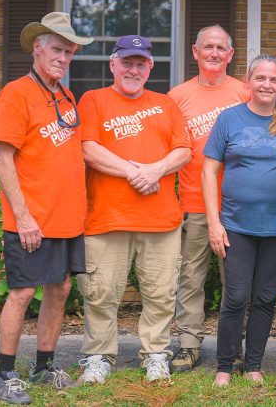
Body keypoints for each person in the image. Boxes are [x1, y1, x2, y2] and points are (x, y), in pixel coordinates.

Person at [75, 35, 192, 383]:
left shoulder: (166, 104)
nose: (133, 69)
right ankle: (98, 357)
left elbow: (183, 151)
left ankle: (155, 354)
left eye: (141, 63)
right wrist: (137, 172)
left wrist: (155, 170)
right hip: (107, 218)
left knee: (161, 292)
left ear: (150, 67)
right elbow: (88, 148)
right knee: (100, 293)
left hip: (161, 219)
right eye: (127, 62)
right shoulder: (93, 100)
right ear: (113, 64)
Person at [0, 12, 93, 404]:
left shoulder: (65, 95)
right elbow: (3, 159)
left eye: (68, 52)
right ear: (37, 47)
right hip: (31, 219)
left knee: (61, 287)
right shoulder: (16, 94)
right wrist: (24, 216)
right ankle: (5, 374)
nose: (63, 58)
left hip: (66, 218)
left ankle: (44, 365)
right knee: (22, 292)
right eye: (56, 49)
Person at [202, 55, 276, 387]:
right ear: (248, 82)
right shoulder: (230, 119)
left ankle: (254, 363)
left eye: (273, 79)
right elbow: (210, 170)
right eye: (260, 78)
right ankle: (225, 366)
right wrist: (214, 223)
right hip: (236, 225)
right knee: (237, 296)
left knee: (267, 297)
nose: (266, 85)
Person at [168, 25, 249, 372]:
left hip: (238, 205)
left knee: (238, 279)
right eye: (208, 47)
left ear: (230, 55)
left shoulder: (245, 93)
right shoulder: (177, 97)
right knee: (191, 276)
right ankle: (188, 345)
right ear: (195, 51)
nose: (214, 53)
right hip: (194, 203)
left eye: (221, 48)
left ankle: (235, 347)